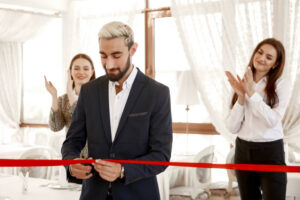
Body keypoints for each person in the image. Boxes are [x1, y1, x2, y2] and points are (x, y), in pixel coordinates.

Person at [61, 21, 173, 200]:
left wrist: (123, 170)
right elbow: (72, 142)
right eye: (103, 56)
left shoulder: (157, 93)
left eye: (116, 55)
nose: (109, 64)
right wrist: (71, 163)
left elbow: (161, 155)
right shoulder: (89, 91)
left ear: (133, 49)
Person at [225, 38, 290, 200]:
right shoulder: (239, 84)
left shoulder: (281, 85)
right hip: (243, 150)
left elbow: (273, 121)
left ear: (275, 64)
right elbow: (232, 127)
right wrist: (241, 96)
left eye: (269, 57)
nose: (261, 58)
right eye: (260, 52)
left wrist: (251, 93)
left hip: (270, 152)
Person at [44, 53, 95, 159]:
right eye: (76, 68)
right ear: (70, 72)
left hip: (94, 157)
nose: (81, 72)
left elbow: (86, 123)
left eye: (86, 69)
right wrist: (54, 95)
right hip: (72, 157)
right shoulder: (63, 99)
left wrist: (71, 95)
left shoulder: (99, 97)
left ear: (92, 72)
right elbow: (55, 127)